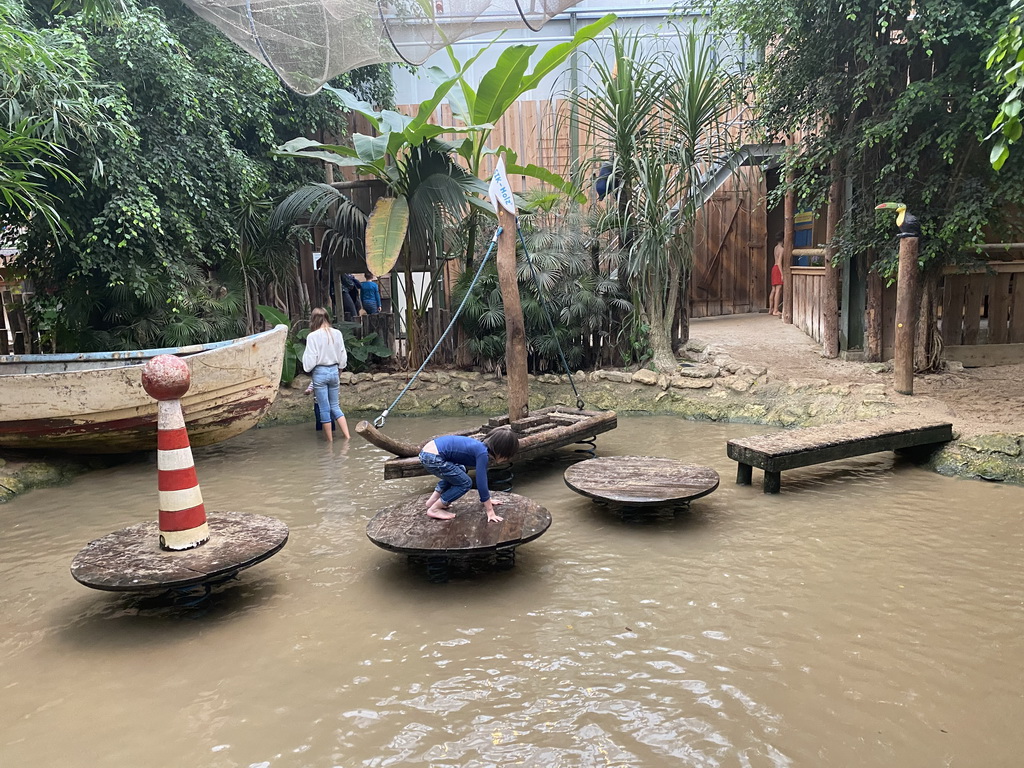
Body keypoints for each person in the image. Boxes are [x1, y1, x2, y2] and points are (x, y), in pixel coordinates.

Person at [418, 427, 520, 523]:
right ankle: (435, 509)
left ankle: (433, 500)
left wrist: (488, 499)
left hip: (428, 452)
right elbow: (482, 483)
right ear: (501, 452)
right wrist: (490, 511)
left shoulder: (480, 447)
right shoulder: (482, 454)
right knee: (465, 483)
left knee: (460, 470)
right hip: (433, 457)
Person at [301, 307, 351, 442]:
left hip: (320, 372)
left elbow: (309, 362)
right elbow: (343, 356)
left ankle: (329, 443)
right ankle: (347, 437)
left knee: (324, 408)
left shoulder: (312, 336)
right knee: (335, 406)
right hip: (334, 371)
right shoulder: (338, 333)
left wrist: (309, 368)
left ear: (313, 320)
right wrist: (339, 370)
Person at [770, 230, 785, 316]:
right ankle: (776, 310)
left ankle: (771, 309)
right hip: (778, 268)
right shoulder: (782, 249)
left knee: (773, 290)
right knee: (778, 290)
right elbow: (779, 262)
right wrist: (782, 274)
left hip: (774, 268)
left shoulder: (775, 248)